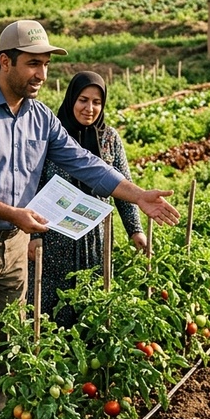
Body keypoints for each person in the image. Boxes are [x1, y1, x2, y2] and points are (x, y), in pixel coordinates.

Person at [0, 19, 180, 419]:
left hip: (14, 245)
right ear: (5, 62)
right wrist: (14, 214)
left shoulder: (40, 117)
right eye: (33, 63)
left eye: (45, 64)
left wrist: (136, 194)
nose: (42, 74)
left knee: (4, 342)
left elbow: (84, 162)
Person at [27, 71, 148, 326]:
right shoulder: (53, 136)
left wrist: (135, 230)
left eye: (96, 102)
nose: (89, 108)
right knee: (51, 310)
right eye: (83, 100)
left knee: (92, 305)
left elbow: (122, 186)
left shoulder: (109, 139)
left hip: (96, 239)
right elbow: (33, 186)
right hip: (54, 239)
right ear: (71, 99)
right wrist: (34, 235)